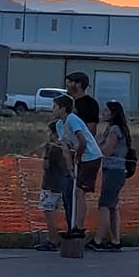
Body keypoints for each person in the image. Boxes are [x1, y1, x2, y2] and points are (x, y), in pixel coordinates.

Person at [52, 92, 101, 240]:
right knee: (73, 192)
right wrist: (70, 168)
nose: (52, 110)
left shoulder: (72, 119)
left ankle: (79, 227)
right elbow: (65, 147)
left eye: (55, 107)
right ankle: (72, 226)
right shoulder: (59, 125)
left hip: (90, 156)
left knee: (79, 192)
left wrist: (78, 156)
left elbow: (82, 141)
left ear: (63, 108)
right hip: (78, 158)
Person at [90, 100, 133, 251]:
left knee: (104, 205)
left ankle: (98, 240)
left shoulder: (114, 130)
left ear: (113, 113)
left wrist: (95, 150)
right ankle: (115, 240)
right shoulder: (115, 128)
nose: (103, 113)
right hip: (116, 170)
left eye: (106, 111)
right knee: (112, 206)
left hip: (114, 170)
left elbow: (108, 150)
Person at [33, 122, 72, 251]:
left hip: (51, 184)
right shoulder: (65, 146)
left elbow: (46, 165)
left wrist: (45, 151)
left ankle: (52, 239)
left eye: (50, 132)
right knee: (53, 211)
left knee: (48, 212)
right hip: (60, 183)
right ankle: (56, 238)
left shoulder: (54, 148)